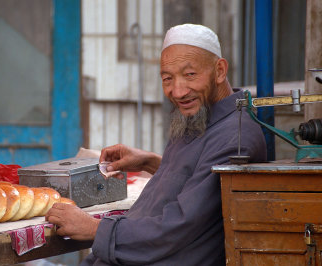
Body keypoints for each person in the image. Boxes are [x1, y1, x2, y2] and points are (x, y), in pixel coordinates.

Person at [46, 23, 266, 265]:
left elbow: (180, 224)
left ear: (220, 70)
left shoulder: (236, 136)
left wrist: (95, 229)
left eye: (190, 75)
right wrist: (150, 162)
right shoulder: (199, 115)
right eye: (167, 78)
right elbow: (196, 179)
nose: (178, 91)